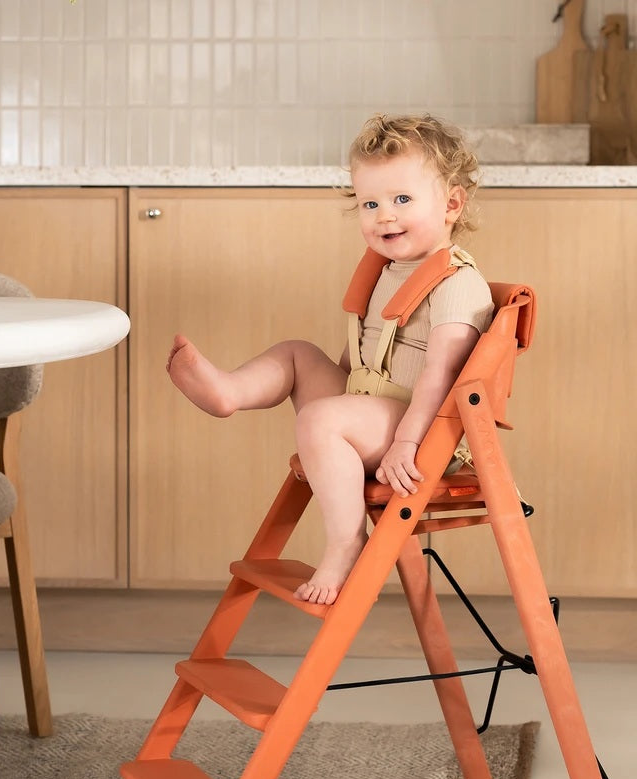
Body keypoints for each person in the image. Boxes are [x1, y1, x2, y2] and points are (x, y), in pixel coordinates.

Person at [166, 113, 494, 605]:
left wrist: (408, 442)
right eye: (370, 203)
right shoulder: (390, 270)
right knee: (298, 353)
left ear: (451, 204)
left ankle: (346, 542)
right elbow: (366, 351)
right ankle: (229, 393)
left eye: (402, 200)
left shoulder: (457, 283)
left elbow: (442, 374)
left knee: (320, 418)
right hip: (375, 410)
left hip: (421, 430)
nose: (384, 216)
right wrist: (336, 385)